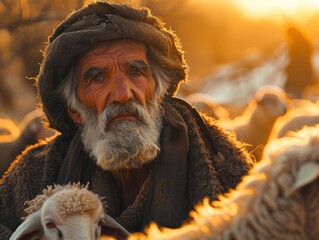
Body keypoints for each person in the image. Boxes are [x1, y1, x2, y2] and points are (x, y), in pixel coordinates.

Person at [0, 1, 254, 239]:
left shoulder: (221, 160)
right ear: (74, 109)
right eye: (98, 78)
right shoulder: (34, 175)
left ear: (158, 91)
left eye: (136, 71)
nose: (123, 93)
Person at [284, 26, 315, 98]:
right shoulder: (306, 43)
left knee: (294, 95)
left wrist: (288, 69)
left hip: (297, 78)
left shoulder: (298, 46)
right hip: (301, 77)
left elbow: (297, 62)